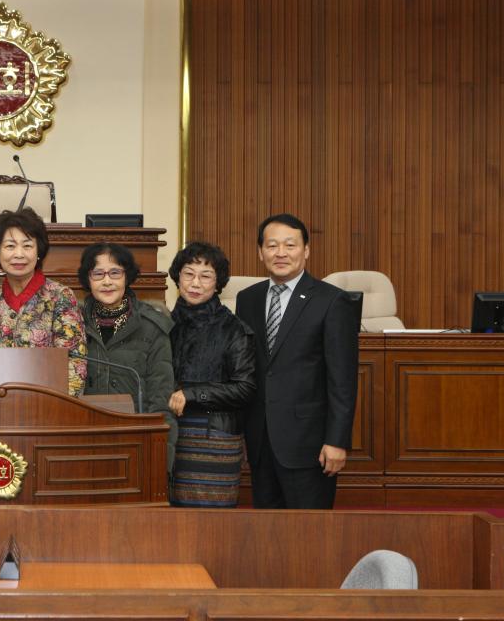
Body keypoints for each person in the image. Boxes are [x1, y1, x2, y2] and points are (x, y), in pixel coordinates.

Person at [235, 213, 359, 509]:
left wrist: (337, 441)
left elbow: (342, 379)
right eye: (272, 245)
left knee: (310, 537)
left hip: (310, 444)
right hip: (261, 441)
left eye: (289, 245)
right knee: (267, 535)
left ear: (306, 251)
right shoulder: (247, 299)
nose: (280, 253)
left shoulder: (332, 301)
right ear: (260, 251)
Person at [167, 241, 256, 507]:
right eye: (188, 274)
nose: (195, 283)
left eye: (205, 276)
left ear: (218, 284)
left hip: (215, 439)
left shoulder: (234, 329)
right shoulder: (164, 323)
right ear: (177, 277)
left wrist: (192, 394)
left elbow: (245, 388)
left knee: (212, 528)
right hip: (170, 434)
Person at [0, 207, 87, 395]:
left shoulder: (60, 296)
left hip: (48, 411)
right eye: (10, 246)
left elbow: (75, 365)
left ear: (39, 251)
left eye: (27, 245)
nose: (19, 254)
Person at [78, 242, 176, 415]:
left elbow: (161, 397)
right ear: (88, 279)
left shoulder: (152, 326)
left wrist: (160, 441)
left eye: (115, 273)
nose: (107, 281)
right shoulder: (74, 322)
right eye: (98, 274)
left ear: (127, 276)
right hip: (85, 429)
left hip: (136, 431)